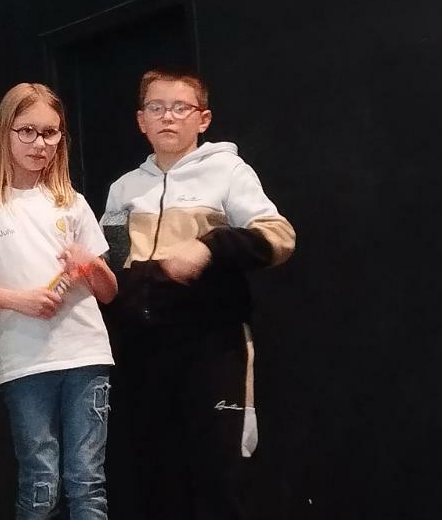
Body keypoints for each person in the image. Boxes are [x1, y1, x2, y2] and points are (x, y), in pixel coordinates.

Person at [98, 68, 296, 519]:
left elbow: (279, 236)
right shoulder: (123, 189)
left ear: (202, 118)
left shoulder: (227, 171)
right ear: (141, 120)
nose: (167, 117)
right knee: (156, 479)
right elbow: (113, 265)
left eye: (180, 107)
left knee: (219, 476)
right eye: (156, 107)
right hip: (142, 354)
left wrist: (207, 247)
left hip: (213, 349)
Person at [0, 83, 117, 519]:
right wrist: (18, 300)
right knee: (41, 481)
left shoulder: (70, 201)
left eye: (50, 133)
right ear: (3, 130)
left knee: (87, 482)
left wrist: (87, 264)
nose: (39, 144)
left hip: (85, 353)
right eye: (27, 131)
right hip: (23, 360)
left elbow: (108, 290)